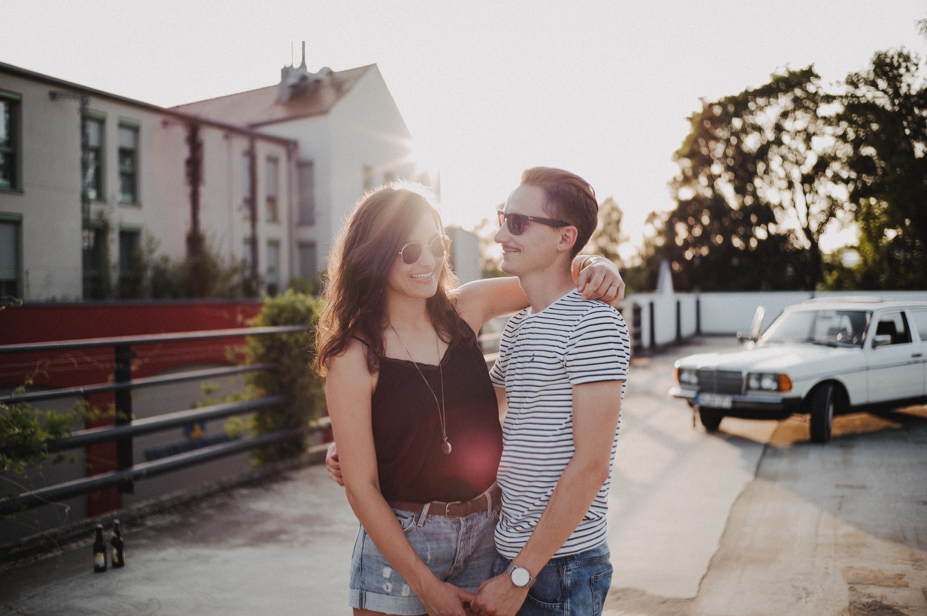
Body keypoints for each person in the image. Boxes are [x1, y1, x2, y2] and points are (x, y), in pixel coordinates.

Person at [315, 181, 624, 616]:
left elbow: (551, 275)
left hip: (486, 537)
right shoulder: (354, 354)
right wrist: (426, 586)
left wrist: (599, 263)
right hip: (401, 546)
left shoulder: (467, 308)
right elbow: (361, 489)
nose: (428, 262)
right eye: (409, 251)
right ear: (375, 254)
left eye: (436, 245)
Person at [469, 167, 630, 616]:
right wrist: (368, 439)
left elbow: (592, 466)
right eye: (503, 217)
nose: (501, 232)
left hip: (560, 567)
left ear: (565, 238)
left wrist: (520, 576)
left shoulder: (594, 323)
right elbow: (478, 409)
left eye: (518, 222)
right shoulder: (519, 327)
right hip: (513, 552)